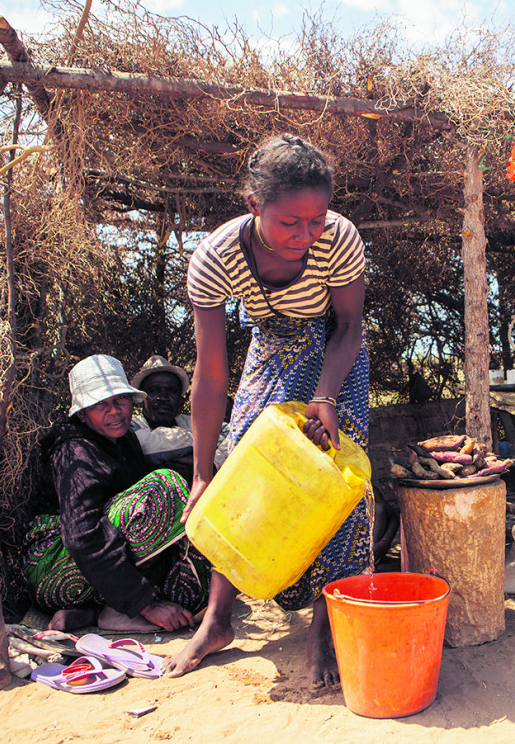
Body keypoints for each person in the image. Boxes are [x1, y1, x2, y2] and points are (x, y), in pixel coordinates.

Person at [164, 134, 369, 685]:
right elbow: (209, 377)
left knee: (337, 480)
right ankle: (217, 619)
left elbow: (349, 326)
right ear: (254, 206)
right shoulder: (215, 258)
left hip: (333, 351)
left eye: (317, 220)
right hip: (273, 346)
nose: (307, 235)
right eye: (290, 223)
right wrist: (205, 471)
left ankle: (323, 625)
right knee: (243, 470)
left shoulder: (340, 239)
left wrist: (325, 395)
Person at [21, 354, 211, 632]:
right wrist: (147, 605)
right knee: (165, 487)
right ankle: (122, 609)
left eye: (120, 400)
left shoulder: (125, 440)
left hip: (95, 565)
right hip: (53, 565)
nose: (114, 411)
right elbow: (82, 535)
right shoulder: (74, 451)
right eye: (100, 404)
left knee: (193, 590)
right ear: (82, 413)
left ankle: (90, 612)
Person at [129, 355, 233, 481]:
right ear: (141, 399)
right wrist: (205, 446)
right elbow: (149, 447)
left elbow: (233, 433)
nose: (162, 397)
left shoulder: (187, 422)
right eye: (153, 390)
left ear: (180, 400)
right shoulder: (132, 426)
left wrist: (208, 463)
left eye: (171, 391)